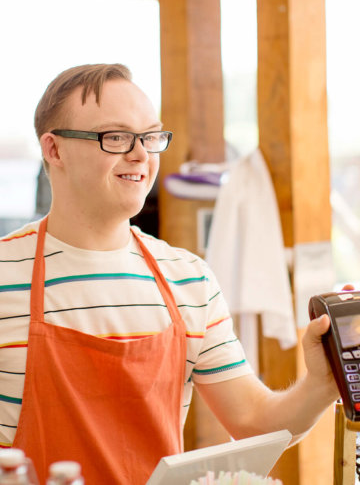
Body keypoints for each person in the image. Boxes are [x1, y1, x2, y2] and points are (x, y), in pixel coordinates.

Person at [0, 64, 340, 484]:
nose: (142, 154)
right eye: (117, 137)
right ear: (54, 150)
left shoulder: (189, 280)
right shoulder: (4, 276)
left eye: (150, 136)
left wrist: (323, 383)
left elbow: (254, 422)